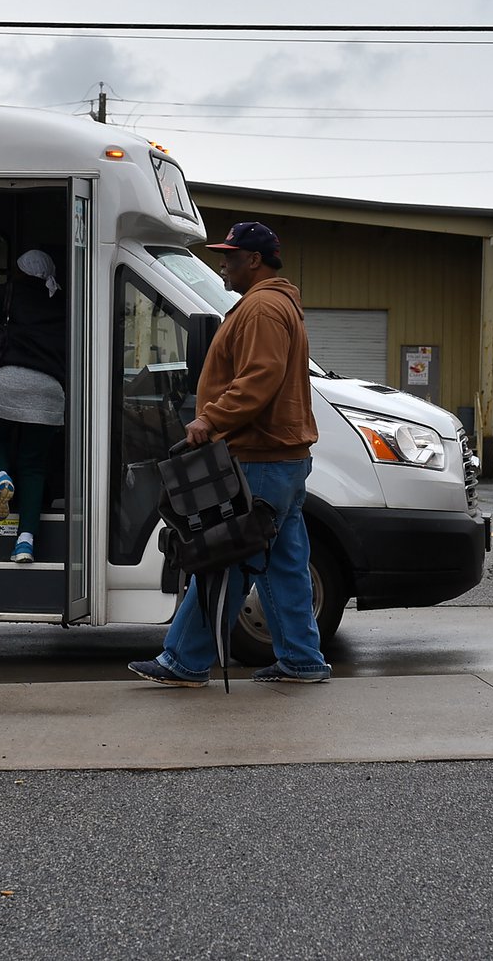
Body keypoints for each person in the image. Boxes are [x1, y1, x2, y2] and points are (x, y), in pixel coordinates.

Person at [129, 221, 328, 686]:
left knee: (226, 559)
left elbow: (259, 377)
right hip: (282, 459)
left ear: (254, 260)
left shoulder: (260, 309)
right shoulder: (276, 305)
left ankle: (184, 660)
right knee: (283, 566)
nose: (222, 263)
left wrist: (210, 419)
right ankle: (302, 660)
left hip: (259, 458)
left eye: (230, 256)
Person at [0, 249, 68, 564]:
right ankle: (25, 543)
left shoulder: (4, 293)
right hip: (50, 390)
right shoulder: (65, 300)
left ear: (20, 270)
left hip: (5, 384)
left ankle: (0, 476)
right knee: (34, 465)